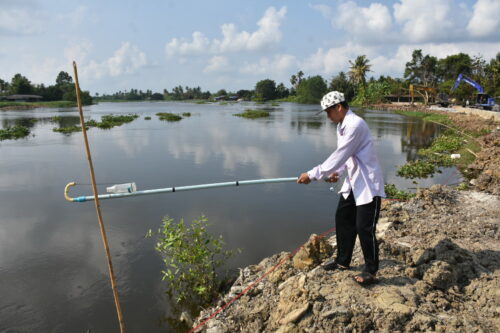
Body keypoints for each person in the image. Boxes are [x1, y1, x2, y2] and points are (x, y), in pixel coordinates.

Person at [297, 91, 385, 285]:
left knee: (364, 227)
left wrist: (313, 174)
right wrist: (336, 172)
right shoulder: (342, 126)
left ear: (339, 107)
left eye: (329, 111)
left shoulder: (355, 124)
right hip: (354, 181)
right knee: (343, 219)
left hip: (368, 183)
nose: (328, 116)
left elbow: (341, 153)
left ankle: (371, 270)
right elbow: (346, 157)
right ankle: (342, 261)